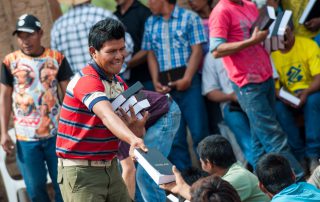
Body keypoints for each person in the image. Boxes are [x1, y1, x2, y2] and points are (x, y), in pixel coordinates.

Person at [209, 0, 304, 180]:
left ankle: (258, 184)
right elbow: (216, 49)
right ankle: (297, 180)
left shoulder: (249, 5)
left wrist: (281, 39)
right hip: (247, 83)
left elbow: (262, 40)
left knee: (259, 139)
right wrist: (251, 41)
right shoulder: (221, 11)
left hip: (265, 76)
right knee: (273, 135)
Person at [56, 18, 147, 202]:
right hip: (81, 173)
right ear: (93, 52)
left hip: (111, 167)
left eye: (122, 49)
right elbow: (107, 115)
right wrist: (132, 138)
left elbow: (134, 130)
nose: (119, 56)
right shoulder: (86, 80)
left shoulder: (118, 82)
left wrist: (136, 131)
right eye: (111, 51)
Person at [0, 14, 73, 202]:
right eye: (21, 36)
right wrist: (3, 133)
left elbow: (69, 96)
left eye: (30, 35)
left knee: (63, 185)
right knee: (35, 189)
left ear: (40, 33)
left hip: (56, 135)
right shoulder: (10, 62)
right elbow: (5, 97)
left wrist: (71, 127)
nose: (25, 40)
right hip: (26, 138)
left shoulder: (57, 58)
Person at [142, 0, 209, 171]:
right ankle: (186, 181)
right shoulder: (150, 22)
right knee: (175, 137)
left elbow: (197, 50)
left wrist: (187, 78)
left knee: (199, 132)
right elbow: (150, 54)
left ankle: (209, 176)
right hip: (165, 87)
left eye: (151, 0)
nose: (149, 4)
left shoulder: (189, 17)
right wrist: (155, 80)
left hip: (189, 84)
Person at [271, 25, 320, 174]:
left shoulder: (308, 44)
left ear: (292, 31)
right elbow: (275, 87)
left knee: (314, 101)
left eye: (286, 35)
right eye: (279, 37)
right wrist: (285, 97)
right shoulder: (272, 54)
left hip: (310, 90)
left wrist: (305, 92)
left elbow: (318, 77)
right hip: (288, 96)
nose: (283, 41)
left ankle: (313, 153)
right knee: (278, 108)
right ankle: (299, 155)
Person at [162, 135, 270, 202]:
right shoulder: (234, 171)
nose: (200, 162)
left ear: (208, 163)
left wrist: (182, 187)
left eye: (201, 159)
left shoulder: (237, 178)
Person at [117, 90, 181, 202]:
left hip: (165, 112)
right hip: (150, 116)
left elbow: (129, 170)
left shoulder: (114, 126)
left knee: (146, 175)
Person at [51, 0, 133, 74]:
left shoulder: (58, 26)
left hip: (77, 85)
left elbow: (57, 62)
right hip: (109, 79)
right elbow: (128, 46)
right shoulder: (102, 14)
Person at [202, 53, 254, 166]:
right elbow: (210, 92)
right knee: (247, 140)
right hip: (231, 104)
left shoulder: (249, 45)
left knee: (266, 134)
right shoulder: (212, 57)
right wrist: (232, 96)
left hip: (255, 98)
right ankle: (261, 171)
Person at [114, 0, 154, 90]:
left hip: (144, 80)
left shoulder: (145, 13)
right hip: (121, 81)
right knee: (127, 104)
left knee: (147, 103)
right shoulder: (113, 16)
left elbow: (149, 48)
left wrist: (124, 65)